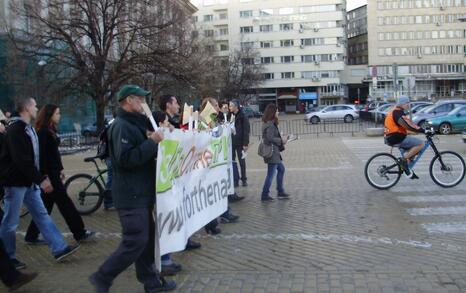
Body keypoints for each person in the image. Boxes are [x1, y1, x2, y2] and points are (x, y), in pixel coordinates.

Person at [90, 85, 176, 292]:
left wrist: (156, 138)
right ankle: (103, 276)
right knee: (135, 240)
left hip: (141, 193)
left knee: (147, 241)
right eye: (140, 99)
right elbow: (126, 159)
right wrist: (152, 142)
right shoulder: (121, 126)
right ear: (129, 100)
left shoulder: (133, 124)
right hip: (131, 195)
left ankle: (151, 283)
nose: (143, 103)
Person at [0, 97, 80, 269]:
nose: (37, 109)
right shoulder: (16, 130)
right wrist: (41, 179)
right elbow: (22, 161)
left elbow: (32, 159)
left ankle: (59, 248)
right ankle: (8, 259)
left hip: (28, 182)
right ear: (27, 109)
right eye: (35, 106)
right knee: (10, 222)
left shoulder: (26, 129)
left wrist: (37, 179)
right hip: (15, 183)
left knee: (42, 215)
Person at [24, 104, 95, 245]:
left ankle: (31, 235)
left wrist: (60, 168)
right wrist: (45, 177)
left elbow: (54, 154)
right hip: (50, 176)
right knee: (66, 204)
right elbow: (42, 157)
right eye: (57, 113)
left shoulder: (50, 130)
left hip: (53, 173)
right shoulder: (43, 132)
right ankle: (79, 233)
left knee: (45, 206)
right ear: (50, 115)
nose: (59, 116)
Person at [159, 95, 202, 257]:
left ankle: (185, 238)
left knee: (183, 208)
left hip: (179, 173)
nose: (178, 106)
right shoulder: (163, 120)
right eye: (176, 102)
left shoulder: (175, 122)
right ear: (168, 104)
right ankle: (167, 253)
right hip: (170, 175)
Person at [384, 95, 428, 178]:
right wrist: (423, 130)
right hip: (396, 137)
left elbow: (405, 126)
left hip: (392, 137)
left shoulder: (395, 111)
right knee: (421, 144)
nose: (408, 104)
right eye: (407, 102)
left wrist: (416, 131)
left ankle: (407, 169)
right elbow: (408, 125)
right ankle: (403, 161)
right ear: (402, 103)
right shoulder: (397, 112)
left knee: (413, 151)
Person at [260, 104, 290, 201]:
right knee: (270, 174)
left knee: (281, 169)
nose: (278, 113)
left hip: (274, 152)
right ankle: (265, 194)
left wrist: (280, 137)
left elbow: (270, 136)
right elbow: (270, 138)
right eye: (276, 111)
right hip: (272, 152)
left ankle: (280, 191)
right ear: (273, 112)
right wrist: (281, 140)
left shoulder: (269, 123)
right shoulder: (270, 125)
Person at [228, 99, 250, 187]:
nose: (229, 107)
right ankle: (235, 179)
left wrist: (245, 143)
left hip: (240, 143)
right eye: (229, 106)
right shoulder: (229, 116)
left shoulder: (242, 116)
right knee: (233, 161)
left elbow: (246, 130)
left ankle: (244, 179)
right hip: (231, 142)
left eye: (231, 106)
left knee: (242, 161)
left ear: (236, 107)